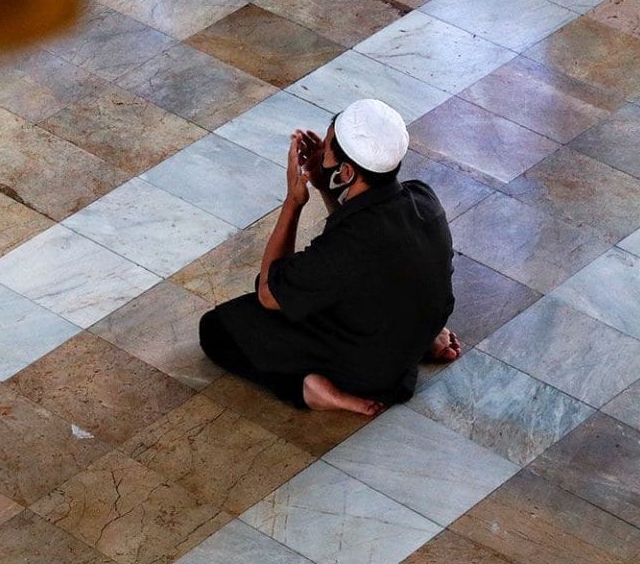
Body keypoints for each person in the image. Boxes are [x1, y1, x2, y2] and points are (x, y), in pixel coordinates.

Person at [198, 98, 462, 416]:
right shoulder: (422, 197)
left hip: (371, 370)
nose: (321, 153)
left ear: (347, 171)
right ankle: (420, 340)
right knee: (367, 285)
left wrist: (293, 202)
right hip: (412, 333)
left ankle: (311, 391)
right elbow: (356, 244)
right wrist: (326, 186)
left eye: (327, 149)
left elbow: (269, 293)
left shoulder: (349, 247)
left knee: (218, 329)